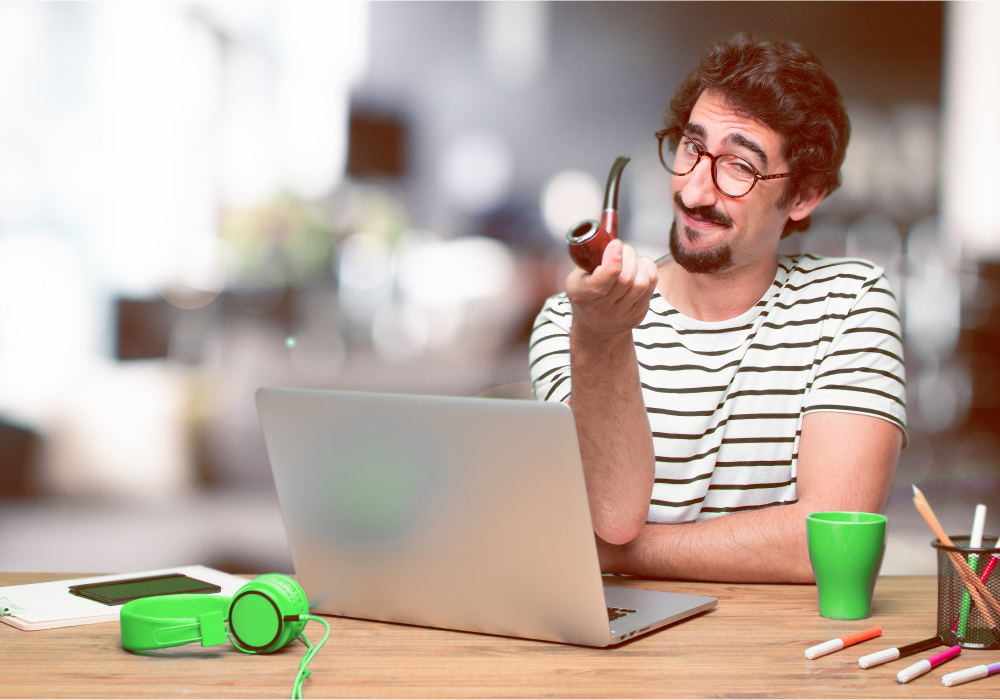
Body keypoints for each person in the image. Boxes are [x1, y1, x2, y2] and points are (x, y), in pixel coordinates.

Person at [529, 34, 905, 584]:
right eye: (690, 146)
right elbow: (611, 517)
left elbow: (829, 545)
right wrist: (603, 338)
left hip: (777, 661)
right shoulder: (572, 321)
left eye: (739, 166)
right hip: (613, 660)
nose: (694, 191)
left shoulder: (847, 303)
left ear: (803, 196)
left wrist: (616, 557)